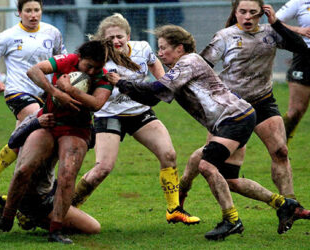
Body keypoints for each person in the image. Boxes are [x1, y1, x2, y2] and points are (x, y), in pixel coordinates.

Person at [107, 24, 302, 240]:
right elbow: (151, 97)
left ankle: (231, 220)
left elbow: (157, 91)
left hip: (234, 118)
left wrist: (122, 83)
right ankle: (283, 204)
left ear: (179, 48)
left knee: (206, 165)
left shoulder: (188, 62)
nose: (160, 53)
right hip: (235, 118)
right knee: (230, 180)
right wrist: (124, 86)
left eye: (163, 48)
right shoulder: (179, 68)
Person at [0, 40, 140, 244]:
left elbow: (97, 104)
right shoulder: (67, 60)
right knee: (24, 169)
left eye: (97, 67)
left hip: (76, 129)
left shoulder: (102, 76)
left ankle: (56, 230)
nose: (93, 70)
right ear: (79, 58)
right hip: (49, 120)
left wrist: (71, 90)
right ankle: (6, 220)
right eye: (89, 66)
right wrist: (56, 92)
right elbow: (33, 71)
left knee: (67, 175)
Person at [179, 0, 310, 221]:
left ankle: (291, 206)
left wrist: (277, 23)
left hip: (263, 100)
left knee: (281, 152)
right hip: (232, 108)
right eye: (242, 12)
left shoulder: (272, 32)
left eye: (252, 12)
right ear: (235, 12)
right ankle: (181, 188)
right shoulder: (224, 36)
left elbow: (301, 47)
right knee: (211, 159)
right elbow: (201, 67)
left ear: (262, 13)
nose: (247, 17)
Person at [71, 13, 200, 225]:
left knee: (168, 154)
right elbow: (81, 78)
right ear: (103, 40)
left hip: (139, 112)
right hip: (109, 114)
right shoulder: (98, 58)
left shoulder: (142, 49)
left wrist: (165, 87)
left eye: (119, 36)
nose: (115, 41)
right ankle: (69, 207)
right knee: (102, 168)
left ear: (128, 35)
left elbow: (154, 65)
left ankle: (174, 209)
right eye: (110, 37)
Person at [0, 0, 67, 195]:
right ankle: (39, 186)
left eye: (37, 10)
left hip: (44, 92)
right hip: (17, 92)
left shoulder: (52, 32)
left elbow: (62, 58)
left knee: (21, 139)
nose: (33, 15)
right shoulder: (9, 35)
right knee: (43, 122)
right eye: (28, 11)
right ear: (19, 13)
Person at [0, 123, 101, 235]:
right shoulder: (58, 132)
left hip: (39, 191)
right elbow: (65, 180)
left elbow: (13, 143)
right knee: (93, 228)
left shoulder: (39, 119)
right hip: (39, 199)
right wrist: (8, 216)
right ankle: (24, 212)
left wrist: (35, 122)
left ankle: (18, 207)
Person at [275, 0, 310, 143]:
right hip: (305, 57)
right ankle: (279, 150)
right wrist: (298, 30)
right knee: (296, 111)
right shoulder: (300, 2)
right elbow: (275, 22)